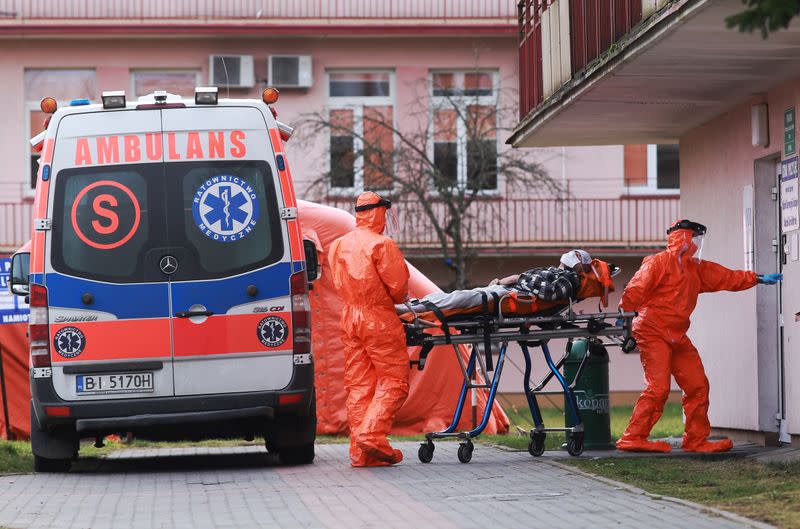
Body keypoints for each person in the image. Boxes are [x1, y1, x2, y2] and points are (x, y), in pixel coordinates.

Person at [617, 219, 782, 453]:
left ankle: (695, 439)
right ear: (685, 238)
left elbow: (726, 277)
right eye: (694, 238)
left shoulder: (695, 269)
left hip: (676, 334)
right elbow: (635, 290)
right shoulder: (658, 263)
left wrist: (757, 278)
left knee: (697, 385)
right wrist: (624, 319)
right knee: (658, 388)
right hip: (652, 331)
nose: (696, 243)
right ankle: (633, 437)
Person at [328, 192, 410, 467]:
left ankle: (362, 454)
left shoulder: (338, 245)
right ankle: (371, 435)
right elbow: (399, 291)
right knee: (394, 381)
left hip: (350, 317)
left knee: (359, 385)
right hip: (378, 319)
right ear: (379, 213)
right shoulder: (382, 245)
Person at [400, 249, 600, 314]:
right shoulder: (556, 272)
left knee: (459, 297)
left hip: (511, 295)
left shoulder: (569, 279)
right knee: (454, 296)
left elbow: (551, 294)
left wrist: (517, 279)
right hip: (507, 289)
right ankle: (416, 305)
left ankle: (411, 309)